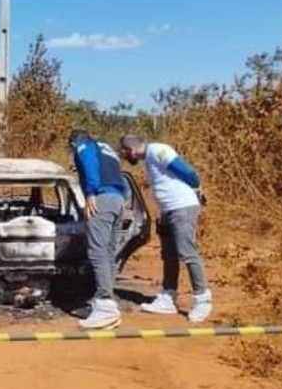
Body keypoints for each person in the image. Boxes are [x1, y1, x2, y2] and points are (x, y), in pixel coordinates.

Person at [118, 134, 212, 322]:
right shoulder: (150, 157)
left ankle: (202, 299)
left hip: (181, 207)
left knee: (187, 252)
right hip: (168, 210)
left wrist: (197, 187)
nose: (128, 158)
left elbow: (187, 172)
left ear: (130, 150)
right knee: (169, 255)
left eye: (126, 154)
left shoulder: (158, 150)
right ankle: (168, 297)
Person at [69, 130, 127, 330]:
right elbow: (120, 177)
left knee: (97, 251)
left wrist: (91, 192)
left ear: (73, 143)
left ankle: (105, 306)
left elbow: (89, 164)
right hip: (118, 200)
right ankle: (105, 301)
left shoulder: (84, 144)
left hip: (101, 199)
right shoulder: (107, 148)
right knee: (109, 252)